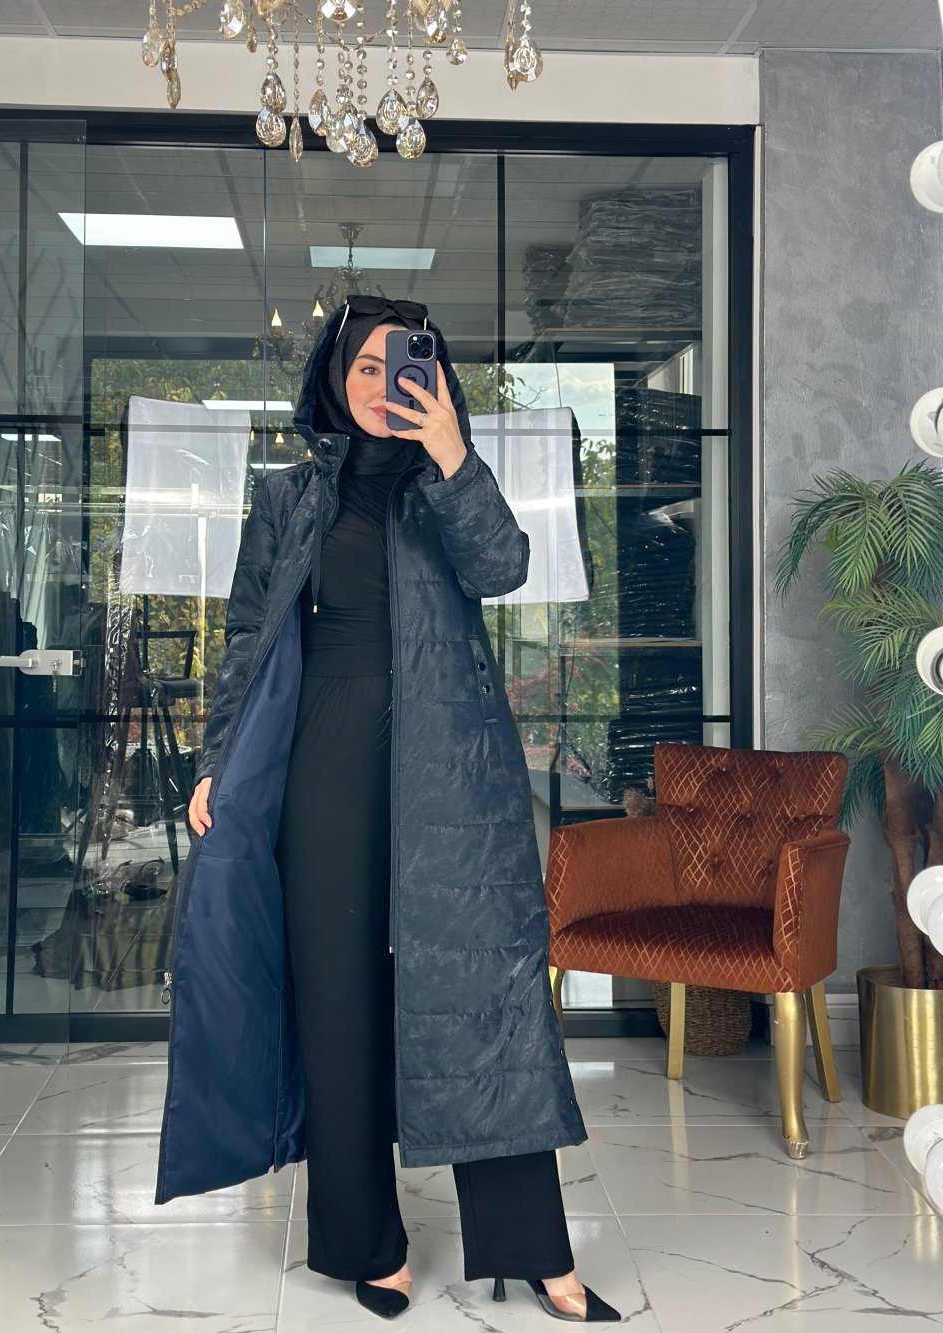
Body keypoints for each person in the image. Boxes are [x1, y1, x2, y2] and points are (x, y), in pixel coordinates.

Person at [158, 297, 620, 1324]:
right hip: (321, 758)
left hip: (448, 766)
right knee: (338, 996)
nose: (382, 385)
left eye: (405, 366)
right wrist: (218, 760)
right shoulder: (287, 495)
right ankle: (367, 1241)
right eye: (363, 366)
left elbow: (504, 567)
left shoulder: (445, 481)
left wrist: (452, 452)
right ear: (334, 378)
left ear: (435, 379)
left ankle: (534, 1247)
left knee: (483, 998)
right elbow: (247, 635)